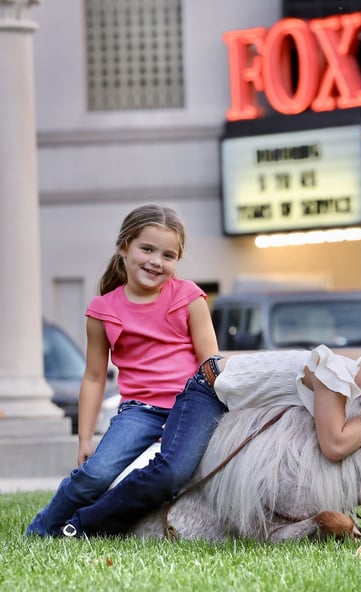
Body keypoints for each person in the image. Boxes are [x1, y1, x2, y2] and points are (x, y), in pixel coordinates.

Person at [59, 330, 361, 537]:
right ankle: (86, 524)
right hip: (211, 389)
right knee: (173, 470)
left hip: (243, 413)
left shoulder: (358, 398)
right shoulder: (335, 376)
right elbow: (335, 447)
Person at [26, 204, 223, 537]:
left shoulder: (189, 298)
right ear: (124, 247)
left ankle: (84, 525)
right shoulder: (103, 311)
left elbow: (210, 366)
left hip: (192, 402)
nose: (156, 261)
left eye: (168, 255)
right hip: (140, 410)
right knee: (94, 475)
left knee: (172, 474)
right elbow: (94, 378)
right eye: (147, 249)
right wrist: (85, 438)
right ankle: (41, 531)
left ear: (177, 260)